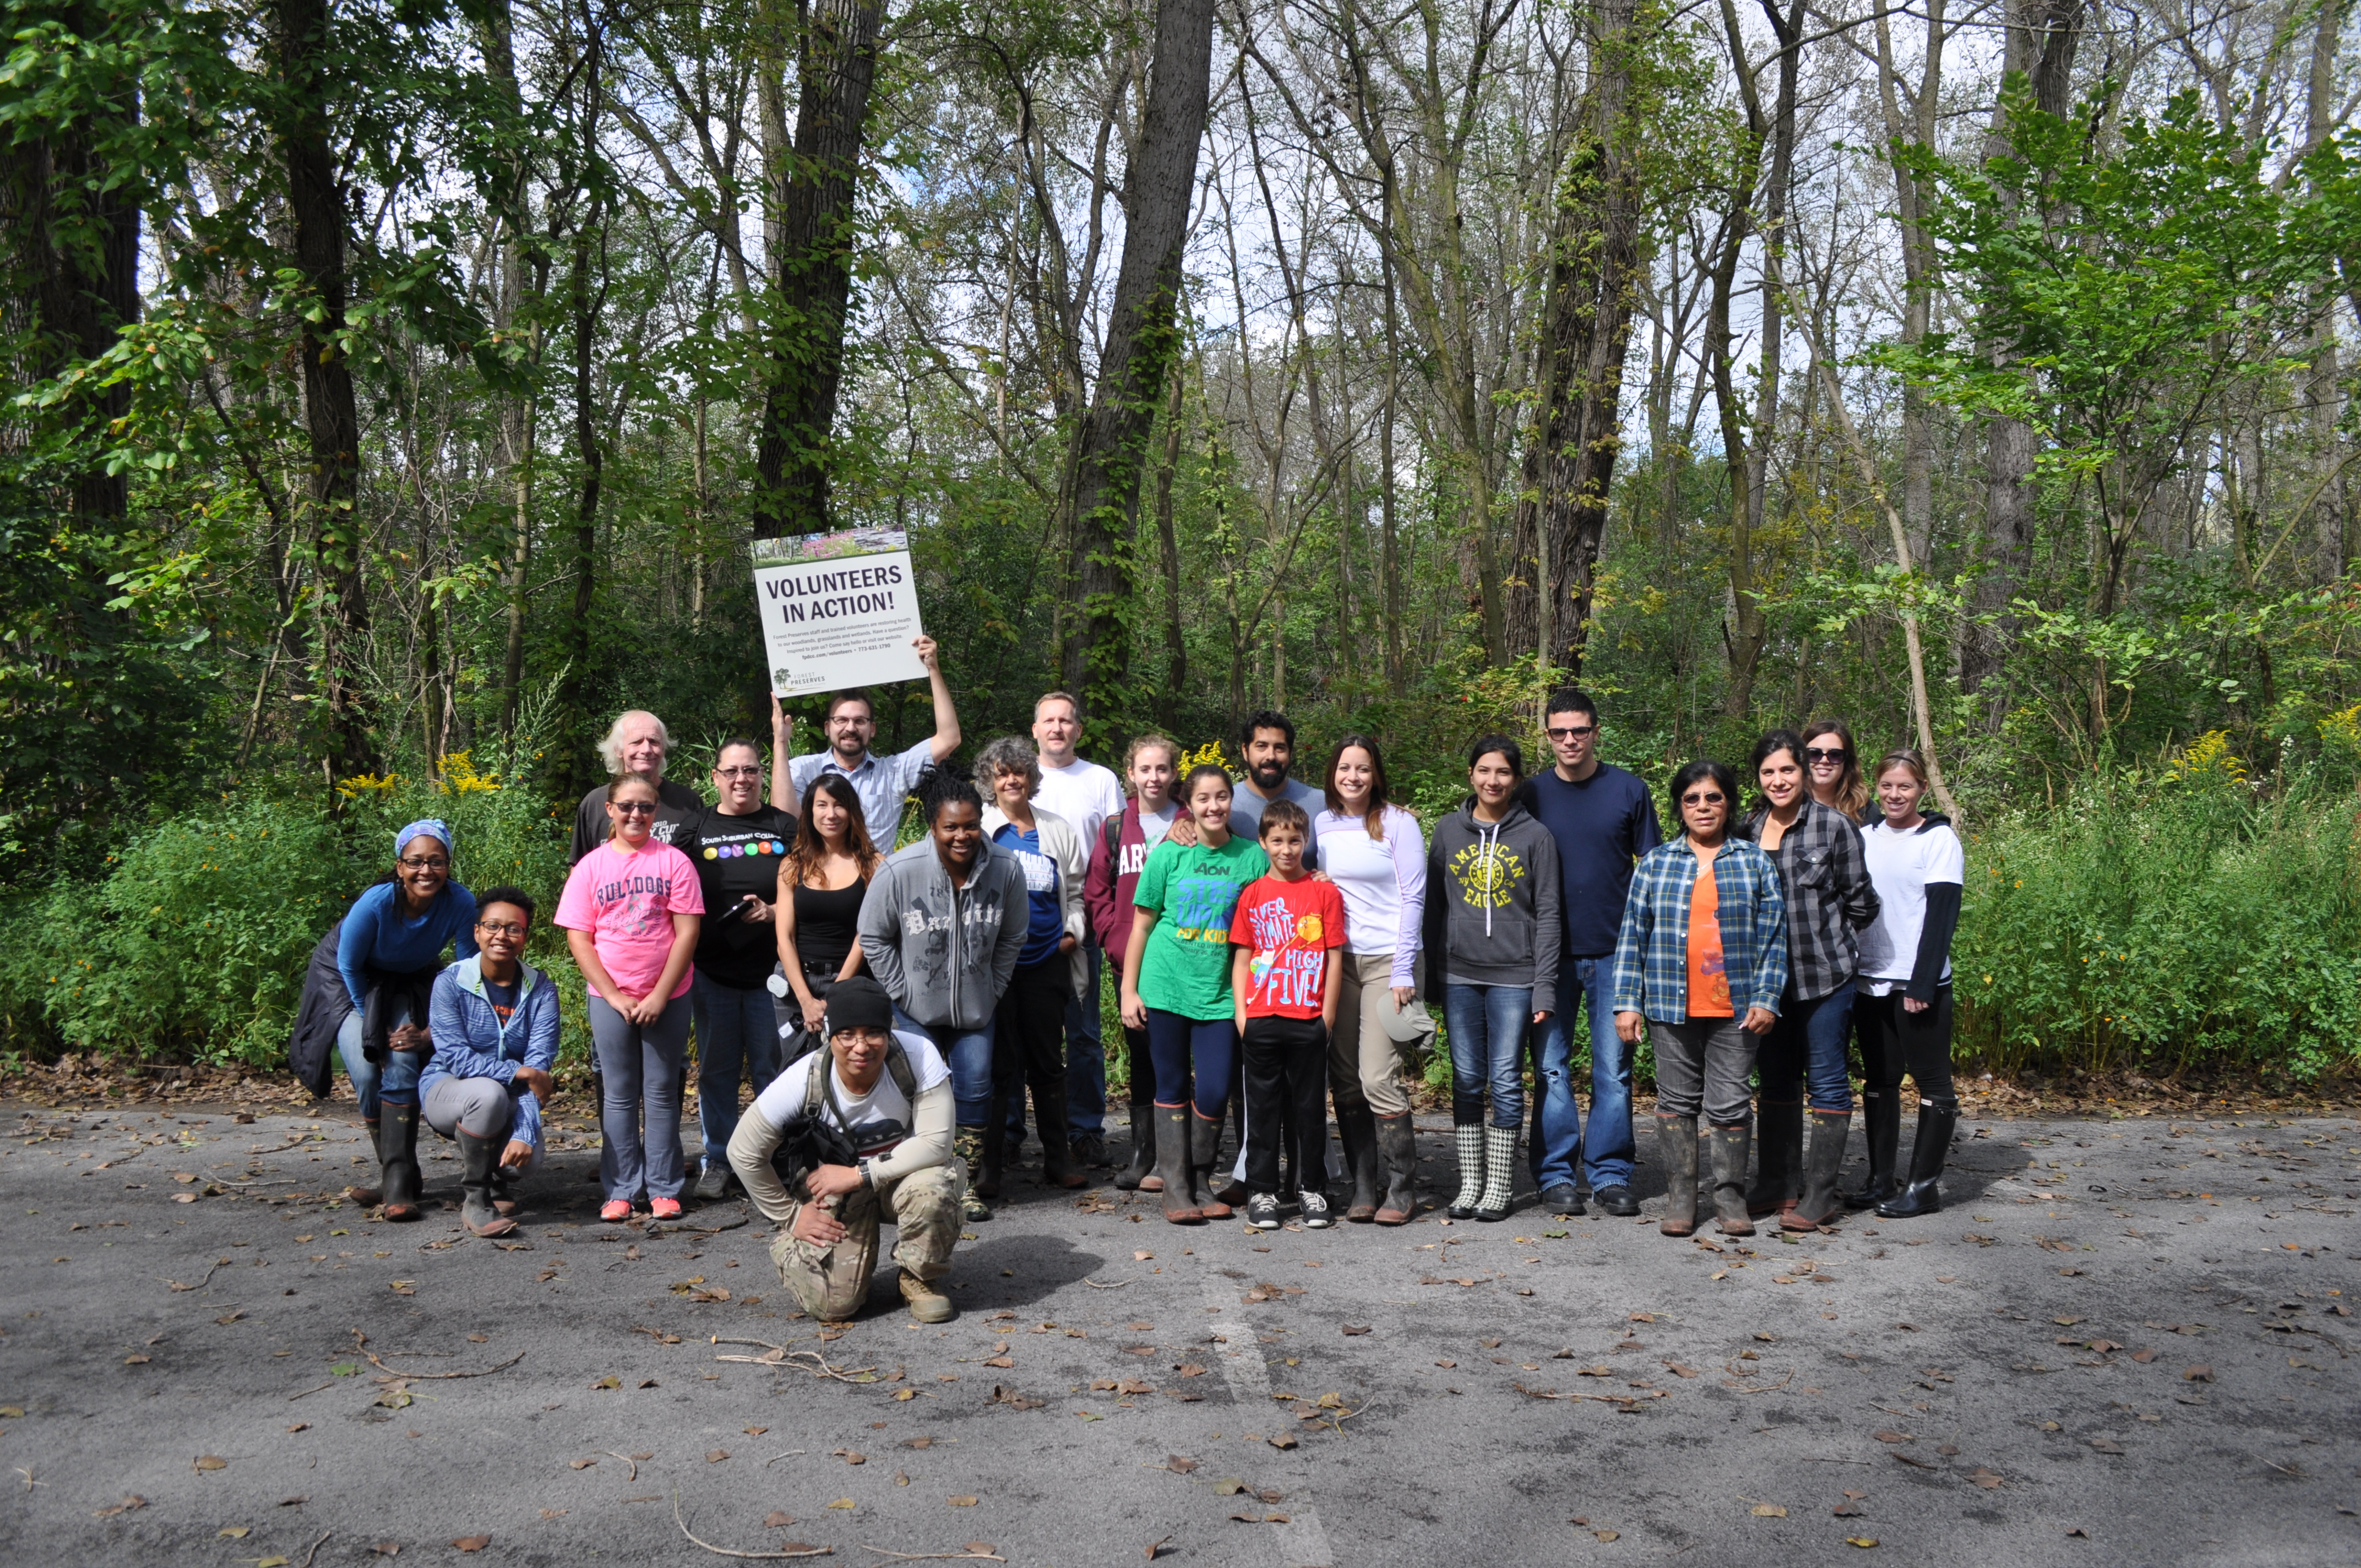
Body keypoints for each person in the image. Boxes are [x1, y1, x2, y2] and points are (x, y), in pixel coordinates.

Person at [1612, 761, 1788, 1237]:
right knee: (1676, 1102)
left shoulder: (1753, 862)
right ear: (1680, 808)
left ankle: (1730, 1198)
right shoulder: (1657, 862)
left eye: (1713, 797)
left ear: (1728, 803)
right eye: (1692, 799)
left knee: (1730, 1104)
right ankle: (1681, 1198)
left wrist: (1768, 997)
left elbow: (1774, 938)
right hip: (1671, 1004)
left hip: (1737, 1008)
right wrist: (1627, 1000)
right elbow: (1633, 936)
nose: (1703, 807)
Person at [727, 977, 961, 1324]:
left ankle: (919, 1278)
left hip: (901, 1179)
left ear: (890, 1032)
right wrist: (791, 1216)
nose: (861, 1046)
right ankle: (792, 1249)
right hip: (835, 1189)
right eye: (847, 1034)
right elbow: (743, 1151)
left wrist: (859, 1174)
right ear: (829, 1036)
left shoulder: (917, 1056)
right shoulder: (803, 1079)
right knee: (835, 1308)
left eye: (874, 1033)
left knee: (934, 1189)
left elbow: (935, 1144)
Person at [856, 774, 1027, 1223]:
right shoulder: (900, 870)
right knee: (919, 1094)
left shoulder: (1006, 869)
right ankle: (918, 1184)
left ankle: (962, 1183)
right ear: (933, 826)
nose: (962, 836)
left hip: (976, 1008)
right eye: (951, 827)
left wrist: (992, 989)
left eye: (970, 826)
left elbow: (1013, 937)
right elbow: (873, 937)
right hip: (915, 1009)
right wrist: (900, 990)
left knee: (974, 1090)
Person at [1518, 688, 1662, 1219]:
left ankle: (1609, 1174)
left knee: (1613, 1070)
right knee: (1551, 1068)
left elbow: (1651, 873)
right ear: (1548, 736)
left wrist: (1650, 950)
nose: (1570, 740)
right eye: (1560, 732)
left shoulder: (1628, 790)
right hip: (1547, 955)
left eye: (1580, 730)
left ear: (1596, 731)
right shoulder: (1529, 795)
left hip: (1615, 953)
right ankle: (1556, 1174)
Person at [1737, 728, 1880, 1231]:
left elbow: (1862, 901)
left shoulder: (1834, 827)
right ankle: (1778, 1182)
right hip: (1767, 985)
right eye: (1769, 772)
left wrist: (1829, 936)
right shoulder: (1748, 829)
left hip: (1825, 978)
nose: (1779, 780)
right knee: (1776, 1080)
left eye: (1788, 770)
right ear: (1759, 778)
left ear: (1803, 771)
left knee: (1826, 1081)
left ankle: (1820, 1193)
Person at [1120, 763, 1269, 1224]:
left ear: (1231, 801)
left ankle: (1201, 1178)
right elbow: (1142, 925)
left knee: (1215, 1088)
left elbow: (1273, 909)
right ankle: (1176, 1186)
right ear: (1191, 804)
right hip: (1165, 983)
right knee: (1170, 1085)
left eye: (1222, 796)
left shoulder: (1251, 857)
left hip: (1222, 992)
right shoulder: (1168, 855)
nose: (1214, 806)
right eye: (1203, 798)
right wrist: (1129, 990)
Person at [1424, 735, 1560, 1222]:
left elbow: (1548, 914)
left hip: (1515, 977)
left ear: (1516, 780)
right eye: (1484, 770)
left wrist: (1544, 984)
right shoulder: (1446, 831)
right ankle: (1470, 1183)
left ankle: (1500, 1186)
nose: (1493, 780)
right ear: (1471, 775)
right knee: (1465, 1079)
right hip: (1459, 973)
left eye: (1502, 772)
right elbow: (1434, 910)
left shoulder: (1536, 837)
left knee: (1504, 1079)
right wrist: (1430, 982)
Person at [558, 773, 704, 1222]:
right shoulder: (591, 867)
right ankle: (621, 1189)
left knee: (661, 1094)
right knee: (619, 1096)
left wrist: (660, 994)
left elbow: (687, 933)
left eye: (645, 807)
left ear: (656, 811)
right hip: (609, 997)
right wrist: (613, 996)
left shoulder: (675, 863)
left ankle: (663, 1188)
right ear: (610, 809)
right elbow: (579, 938)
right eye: (627, 806)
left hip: (668, 995)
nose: (636, 814)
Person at [334, 820, 479, 1222]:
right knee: (366, 1072)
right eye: (415, 862)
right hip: (353, 985)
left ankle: (397, 1186)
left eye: (437, 862)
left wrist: (435, 1032)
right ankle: (401, 1174)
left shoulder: (460, 903)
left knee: (401, 1061)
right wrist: (371, 1027)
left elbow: (466, 974)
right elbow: (348, 965)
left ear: (449, 865)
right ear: (399, 867)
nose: (425, 871)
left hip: (410, 983)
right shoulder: (377, 902)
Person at [1311, 735, 1429, 1224]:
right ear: (1333, 774)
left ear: (1376, 773)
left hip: (1389, 963)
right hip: (1340, 961)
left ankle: (1402, 1187)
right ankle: (1364, 1184)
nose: (1353, 777)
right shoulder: (1323, 824)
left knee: (1377, 1076)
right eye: (1344, 768)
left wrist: (1403, 969)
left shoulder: (1399, 823)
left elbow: (1414, 896)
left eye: (1362, 769)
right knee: (1344, 1079)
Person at [1849, 751, 1964, 1217]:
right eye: (1887, 786)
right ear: (1876, 787)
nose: (1895, 795)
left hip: (1918, 983)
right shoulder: (1863, 837)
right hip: (1868, 978)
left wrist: (1922, 983)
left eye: (1906, 787)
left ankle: (1924, 1187)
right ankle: (1881, 1180)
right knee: (1879, 1079)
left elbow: (1942, 916)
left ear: (1921, 790)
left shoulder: (1937, 840)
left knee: (1933, 1081)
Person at [976, 736, 1090, 1196]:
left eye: (1019, 771)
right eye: (1002, 772)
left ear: (1031, 777)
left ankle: (1058, 1158)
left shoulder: (1056, 829)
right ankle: (991, 1164)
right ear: (990, 780)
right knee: (998, 1065)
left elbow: (1078, 893)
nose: (1012, 780)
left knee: (1048, 1061)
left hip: (1047, 961)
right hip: (994, 969)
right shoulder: (979, 829)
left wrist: (1071, 934)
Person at [687, 738, 799, 1199]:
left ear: (760, 775)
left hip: (772, 973)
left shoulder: (785, 826)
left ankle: (772, 1155)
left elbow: (814, 884)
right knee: (717, 1070)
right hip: (712, 971)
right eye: (731, 771)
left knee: (774, 1072)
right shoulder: (695, 829)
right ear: (715, 777)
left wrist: (775, 913)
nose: (741, 779)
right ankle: (718, 1158)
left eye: (750, 770)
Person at [1229, 799, 1346, 1231]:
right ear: (1263, 843)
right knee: (1261, 1112)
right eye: (1277, 840)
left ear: (1306, 841)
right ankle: (1262, 1191)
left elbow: (1335, 958)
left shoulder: (1323, 893)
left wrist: (1327, 1017)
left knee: (1310, 1111)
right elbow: (1242, 960)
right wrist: (1244, 1017)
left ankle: (1311, 1189)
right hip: (1261, 1019)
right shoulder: (1253, 895)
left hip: (1309, 1020)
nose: (1286, 849)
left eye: (1294, 840)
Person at [420, 888, 561, 1236]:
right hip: (447, 1088)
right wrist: (519, 1070)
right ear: (477, 932)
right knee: (487, 1094)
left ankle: (500, 1182)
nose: (502, 936)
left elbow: (537, 1070)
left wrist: (525, 1133)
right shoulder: (450, 983)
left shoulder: (541, 990)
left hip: (509, 1096)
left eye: (514, 929)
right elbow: (457, 1059)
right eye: (493, 926)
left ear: (525, 937)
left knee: (526, 1164)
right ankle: (476, 1199)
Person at [1029, 691, 1127, 1169]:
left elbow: (1119, 846)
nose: (1057, 728)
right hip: (1025, 925)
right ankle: (1010, 1133)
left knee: (1084, 1034)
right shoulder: (1019, 777)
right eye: (1049, 720)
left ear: (1078, 730)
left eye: (1066, 721)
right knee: (1021, 1032)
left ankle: (1086, 1130)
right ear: (1035, 730)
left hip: (1083, 919)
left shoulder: (1101, 780)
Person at [1084, 734, 1184, 1193]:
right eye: (1145, 770)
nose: (1154, 778)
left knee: (1177, 1060)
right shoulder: (1115, 827)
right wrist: (1114, 937)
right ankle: (1143, 1154)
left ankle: (1176, 1158)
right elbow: (1097, 891)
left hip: (1186, 961)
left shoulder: (1191, 819)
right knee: (1142, 1058)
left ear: (1175, 773)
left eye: (1162, 769)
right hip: (1132, 965)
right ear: (1131, 774)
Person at [782, 635, 963, 848]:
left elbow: (949, 738)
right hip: (821, 880)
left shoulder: (893, 772)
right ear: (827, 727)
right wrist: (779, 742)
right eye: (841, 720)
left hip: (876, 881)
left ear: (872, 729)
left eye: (860, 721)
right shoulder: (802, 769)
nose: (850, 728)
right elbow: (785, 819)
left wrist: (933, 669)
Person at [775, 772, 881, 1058]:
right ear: (809, 811)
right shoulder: (792, 866)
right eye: (821, 805)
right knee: (793, 1073)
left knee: (847, 1068)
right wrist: (805, 999)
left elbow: (867, 935)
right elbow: (784, 937)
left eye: (839, 805)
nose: (830, 814)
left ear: (852, 811)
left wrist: (836, 993)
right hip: (796, 984)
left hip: (852, 979)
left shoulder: (874, 865)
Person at [570, 711, 706, 864]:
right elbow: (579, 868)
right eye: (637, 742)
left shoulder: (687, 801)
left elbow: (702, 862)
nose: (647, 749)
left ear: (663, 749)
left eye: (654, 742)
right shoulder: (595, 803)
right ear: (618, 750)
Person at [1802, 719, 1873, 821]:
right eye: (1815, 754)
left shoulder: (1865, 810)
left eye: (1835, 755)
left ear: (1847, 761)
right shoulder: (1786, 806)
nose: (1824, 760)